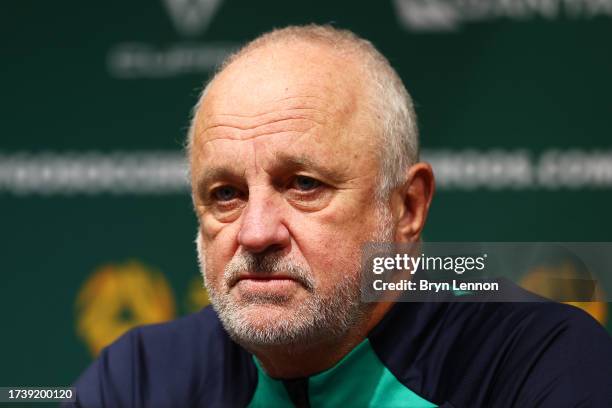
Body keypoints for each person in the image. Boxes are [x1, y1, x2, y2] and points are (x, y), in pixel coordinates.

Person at [68, 24, 612, 407]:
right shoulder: (139, 380)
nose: (255, 233)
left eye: (304, 185)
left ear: (407, 207)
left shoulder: (537, 366)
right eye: (226, 194)